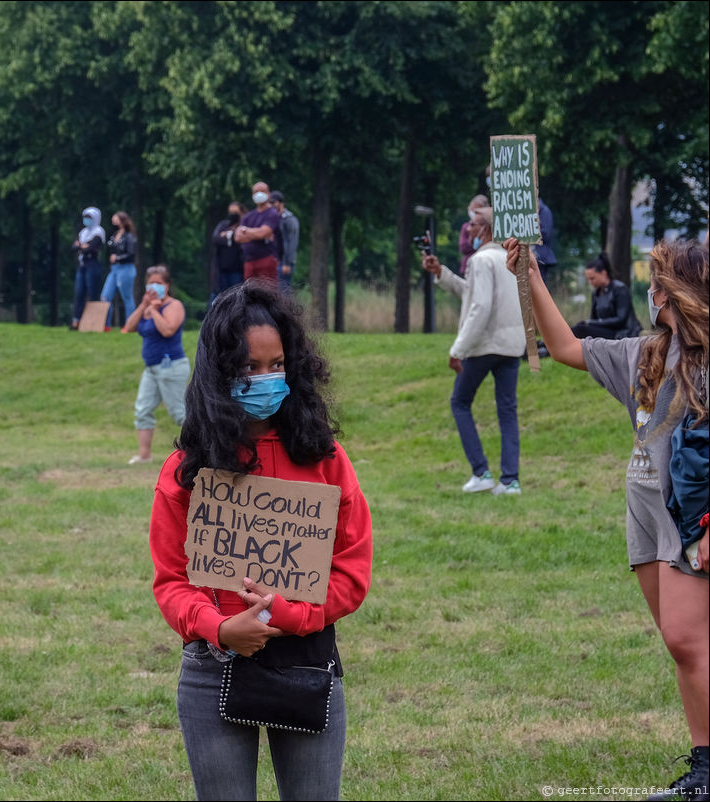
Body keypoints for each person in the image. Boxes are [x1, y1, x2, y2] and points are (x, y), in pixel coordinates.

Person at [148, 280, 372, 801]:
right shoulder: (185, 472)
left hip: (306, 661)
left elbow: (351, 574)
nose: (266, 378)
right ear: (219, 371)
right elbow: (171, 582)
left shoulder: (327, 459)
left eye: (277, 365)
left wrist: (291, 615)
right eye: (249, 367)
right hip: (212, 666)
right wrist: (221, 628)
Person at [506, 236, 708, 802]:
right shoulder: (645, 353)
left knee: (687, 639)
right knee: (685, 646)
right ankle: (704, 766)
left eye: (659, 281)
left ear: (676, 292)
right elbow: (567, 346)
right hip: (644, 516)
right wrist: (532, 278)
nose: (652, 289)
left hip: (693, 521)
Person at [422, 206, 526, 495]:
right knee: (507, 411)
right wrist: (441, 272)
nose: (469, 229)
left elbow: (479, 307)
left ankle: (481, 472)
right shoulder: (512, 258)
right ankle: (510, 480)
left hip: (483, 345)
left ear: (487, 229)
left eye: (474, 224)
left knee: (460, 402)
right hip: (511, 346)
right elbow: (472, 292)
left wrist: (458, 349)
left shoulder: (481, 260)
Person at [122, 265, 188, 465]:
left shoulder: (174, 305)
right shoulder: (146, 306)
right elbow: (129, 327)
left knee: (180, 414)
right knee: (143, 410)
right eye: (151, 283)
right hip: (151, 369)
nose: (154, 286)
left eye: (159, 283)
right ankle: (144, 456)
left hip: (172, 366)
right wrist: (144, 306)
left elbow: (168, 330)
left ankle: (205, 449)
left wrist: (155, 310)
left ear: (167, 286)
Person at [571, 252, 642, 340]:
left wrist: (590, 323)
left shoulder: (620, 289)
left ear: (604, 273)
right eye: (588, 279)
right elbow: (593, 319)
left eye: (592, 278)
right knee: (579, 327)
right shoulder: (595, 293)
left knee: (580, 330)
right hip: (606, 331)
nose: (590, 282)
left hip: (622, 333)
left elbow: (621, 320)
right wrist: (589, 323)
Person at [235, 182, 282, 284]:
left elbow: (263, 233)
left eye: (262, 191)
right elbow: (238, 237)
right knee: (249, 294)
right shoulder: (248, 216)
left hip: (266, 259)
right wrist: (258, 233)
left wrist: (245, 231)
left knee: (267, 292)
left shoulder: (272, 213)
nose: (259, 194)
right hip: (249, 261)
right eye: (256, 191)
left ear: (268, 193)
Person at [100, 210, 138, 329]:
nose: (113, 220)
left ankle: (130, 325)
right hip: (114, 269)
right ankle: (106, 324)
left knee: (127, 297)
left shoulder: (129, 236)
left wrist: (118, 258)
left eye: (115, 217)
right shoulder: (114, 234)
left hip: (126, 268)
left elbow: (131, 254)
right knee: (105, 296)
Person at [71, 206, 105, 329]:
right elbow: (74, 247)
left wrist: (82, 246)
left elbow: (91, 247)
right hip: (82, 265)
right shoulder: (83, 232)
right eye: (85, 217)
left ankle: (94, 323)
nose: (86, 220)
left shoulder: (99, 231)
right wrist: (82, 246)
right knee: (79, 293)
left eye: (89, 217)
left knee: (93, 293)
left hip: (92, 265)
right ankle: (76, 322)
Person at [210, 202, 246, 301]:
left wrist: (228, 235)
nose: (232, 215)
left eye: (235, 212)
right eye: (230, 212)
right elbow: (216, 239)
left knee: (236, 298)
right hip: (221, 271)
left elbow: (244, 241)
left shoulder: (245, 227)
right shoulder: (223, 225)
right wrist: (234, 238)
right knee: (218, 298)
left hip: (238, 271)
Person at [271, 191, 300, 293]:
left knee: (283, 293)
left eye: (273, 202)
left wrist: (287, 263)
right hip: (275, 260)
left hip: (284, 262)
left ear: (281, 203)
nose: (271, 205)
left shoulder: (289, 219)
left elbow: (292, 242)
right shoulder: (274, 219)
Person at [458, 194, 491, 277]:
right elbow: (463, 247)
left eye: (473, 225)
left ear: (485, 228)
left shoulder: (489, 260)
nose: (468, 229)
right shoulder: (465, 226)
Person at [533, 196, 558, 288]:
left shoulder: (545, 211)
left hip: (540, 258)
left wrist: (534, 226)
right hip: (531, 256)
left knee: (539, 287)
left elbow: (546, 235)